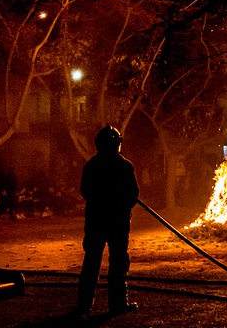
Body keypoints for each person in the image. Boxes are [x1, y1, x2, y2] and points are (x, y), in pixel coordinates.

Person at [75, 125, 140, 315]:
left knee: (91, 263)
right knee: (118, 264)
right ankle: (118, 304)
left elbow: (85, 191)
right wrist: (121, 204)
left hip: (96, 221)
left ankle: (84, 304)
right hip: (118, 223)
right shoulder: (125, 166)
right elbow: (133, 194)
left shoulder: (91, 166)